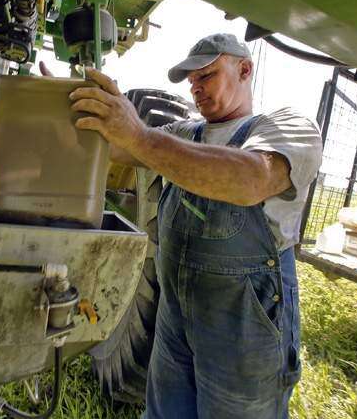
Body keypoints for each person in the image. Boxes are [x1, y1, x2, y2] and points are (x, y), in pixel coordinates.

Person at [61, 33, 322, 418]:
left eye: (207, 75)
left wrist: (138, 134)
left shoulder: (287, 127)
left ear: (245, 69)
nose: (196, 88)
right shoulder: (188, 132)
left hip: (242, 327)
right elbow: (118, 146)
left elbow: (251, 180)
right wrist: (67, 107)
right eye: (192, 82)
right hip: (175, 314)